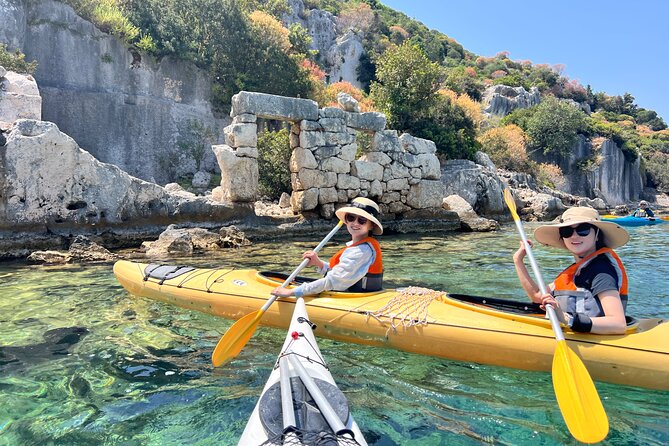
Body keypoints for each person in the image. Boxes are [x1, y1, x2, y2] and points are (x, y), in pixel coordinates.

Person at [513, 207, 630, 334]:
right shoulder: (577, 269)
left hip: (591, 342)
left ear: (596, 235)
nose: (574, 236)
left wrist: (567, 319)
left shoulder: (601, 271)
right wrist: (518, 260)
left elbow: (618, 324)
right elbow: (537, 296)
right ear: (563, 237)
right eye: (567, 231)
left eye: (583, 230)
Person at [271, 197, 383, 298]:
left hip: (358, 299)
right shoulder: (359, 247)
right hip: (356, 294)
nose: (355, 223)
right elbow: (340, 274)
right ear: (346, 220)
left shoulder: (361, 251)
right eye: (351, 217)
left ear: (371, 225)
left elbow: (332, 281)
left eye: (362, 220)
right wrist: (318, 263)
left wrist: (292, 292)